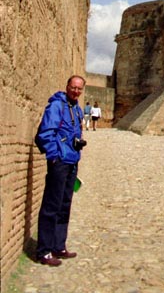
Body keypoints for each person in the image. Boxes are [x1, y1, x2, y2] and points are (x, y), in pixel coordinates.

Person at [35, 75, 86, 266]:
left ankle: (58, 245)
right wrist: (54, 157)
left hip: (72, 162)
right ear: (67, 86)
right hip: (59, 162)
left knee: (65, 204)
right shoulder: (56, 106)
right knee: (51, 205)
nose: (76, 91)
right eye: (73, 88)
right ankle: (44, 251)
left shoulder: (77, 110)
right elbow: (47, 132)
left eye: (79, 89)